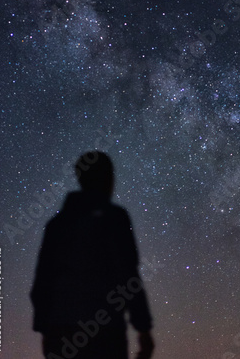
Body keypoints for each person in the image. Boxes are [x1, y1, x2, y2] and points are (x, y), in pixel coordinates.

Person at [30, 151, 154, 359]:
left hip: (61, 331)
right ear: (107, 179)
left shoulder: (57, 225)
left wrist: (44, 328)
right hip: (105, 333)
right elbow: (128, 275)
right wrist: (143, 328)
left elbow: (42, 283)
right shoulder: (116, 218)